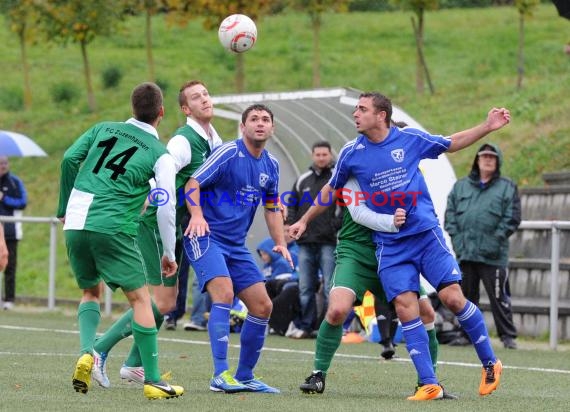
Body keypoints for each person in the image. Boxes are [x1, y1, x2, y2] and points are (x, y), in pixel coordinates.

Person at [290, 92, 510, 400]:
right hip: (388, 245)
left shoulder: (410, 141)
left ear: (381, 116)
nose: (355, 114)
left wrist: (487, 126)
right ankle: (429, 383)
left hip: (423, 235)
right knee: (406, 309)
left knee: (452, 299)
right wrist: (305, 219)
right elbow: (332, 192)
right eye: (355, 109)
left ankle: (490, 362)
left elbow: (451, 142)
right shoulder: (352, 153)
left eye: (362, 109)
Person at [91, 80, 223, 387]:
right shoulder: (183, 141)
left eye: (206, 93)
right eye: (195, 97)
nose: (204, 99)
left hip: (175, 226)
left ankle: (134, 364)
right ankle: (98, 349)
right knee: (161, 302)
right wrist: (148, 200)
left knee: (167, 301)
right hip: (154, 223)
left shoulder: (214, 139)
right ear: (184, 109)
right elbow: (159, 175)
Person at [56, 82, 184, 399]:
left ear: (132, 108)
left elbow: (70, 159)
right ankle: (153, 381)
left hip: (76, 220)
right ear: (161, 112)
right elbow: (166, 205)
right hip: (113, 224)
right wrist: (169, 251)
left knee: (90, 291)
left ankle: (89, 352)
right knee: (142, 300)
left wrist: (63, 208)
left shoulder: (103, 128)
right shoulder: (160, 154)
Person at [299, 177, 451, 398]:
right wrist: (303, 220)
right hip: (355, 252)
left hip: (392, 254)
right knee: (337, 310)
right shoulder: (355, 166)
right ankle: (317, 374)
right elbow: (331, 191)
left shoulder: (401, 171)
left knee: (426, 312)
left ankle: (429, 383)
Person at [183, 103, 291, 394]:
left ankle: (244, 376)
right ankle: (220, 375)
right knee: (225, 293)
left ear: (272, 128)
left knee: (262, 305)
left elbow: (271, 208)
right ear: (243, 127)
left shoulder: (272, 165)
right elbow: (193, 182)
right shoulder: (229, 152)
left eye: (265, 119)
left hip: (235, 245)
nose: (260, 123)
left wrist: (280, 242)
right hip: (205, 236)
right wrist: (196, 215)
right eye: (253, 119)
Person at [445, 143, 521, 349]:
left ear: (497, 162)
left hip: (493, 255)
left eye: (492, 157)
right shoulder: (460, 186)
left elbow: (512, 218)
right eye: (484, 156)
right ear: (477, 160)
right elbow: (450, 216)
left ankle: (507, 336)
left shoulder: (507, 187)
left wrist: (495, 241)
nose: (487, 160)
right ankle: (465, 334)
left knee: (499, 296)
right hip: (465, 253)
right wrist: (458, 241)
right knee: (465, 298)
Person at [286, 141, 342, 338]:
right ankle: (306, 326)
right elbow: (291, 204)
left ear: (330, 155)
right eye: (317, 154)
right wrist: (290, 223)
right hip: (305, 242)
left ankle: (325, 328)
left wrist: (334, 226)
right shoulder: (303, 180)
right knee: (305, 287)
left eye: (324, 154)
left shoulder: (338, 178)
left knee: (330, 287)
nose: (321, 158)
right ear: (312, 156)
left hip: (329, 242)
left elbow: (346, 207)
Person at [0, 156, 27, 310]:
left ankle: (9, 299)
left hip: (10, 231)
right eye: (0, 163)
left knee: (10, 265)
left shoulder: (15, 182)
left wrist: (4, 198)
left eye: (5, 163)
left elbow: (22, 202)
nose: (3, 166)